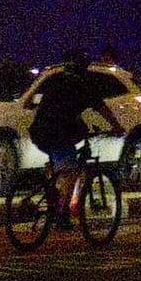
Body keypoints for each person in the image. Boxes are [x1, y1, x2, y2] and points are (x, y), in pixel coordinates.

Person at [28, 49, 107, 224]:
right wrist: (116, 126)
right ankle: (62, 213)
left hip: (39, 131)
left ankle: (51, 189)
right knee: (70, 171)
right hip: (58, 134)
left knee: (60, 164)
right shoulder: (82, 85)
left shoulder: (55, 80)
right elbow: (101, 107)